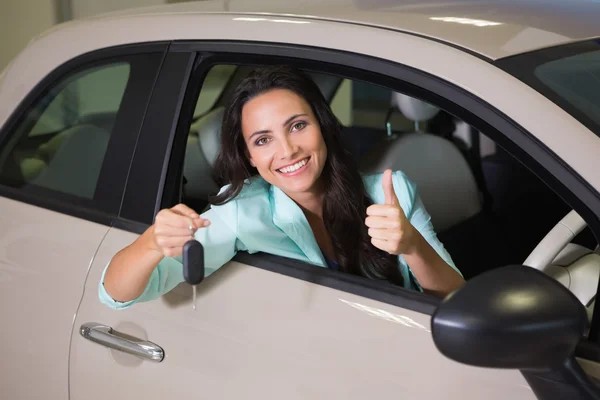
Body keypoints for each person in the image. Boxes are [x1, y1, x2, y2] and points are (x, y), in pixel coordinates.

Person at [99, 65, 464, 310]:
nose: (287, 151)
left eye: (297, 126)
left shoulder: (392, 193)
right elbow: (115, 295)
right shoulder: (243, 213)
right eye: (263, 140)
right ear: (249, 156)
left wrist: (412, 246)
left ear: (323, 125)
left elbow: (454, 296)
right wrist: (151, 242)